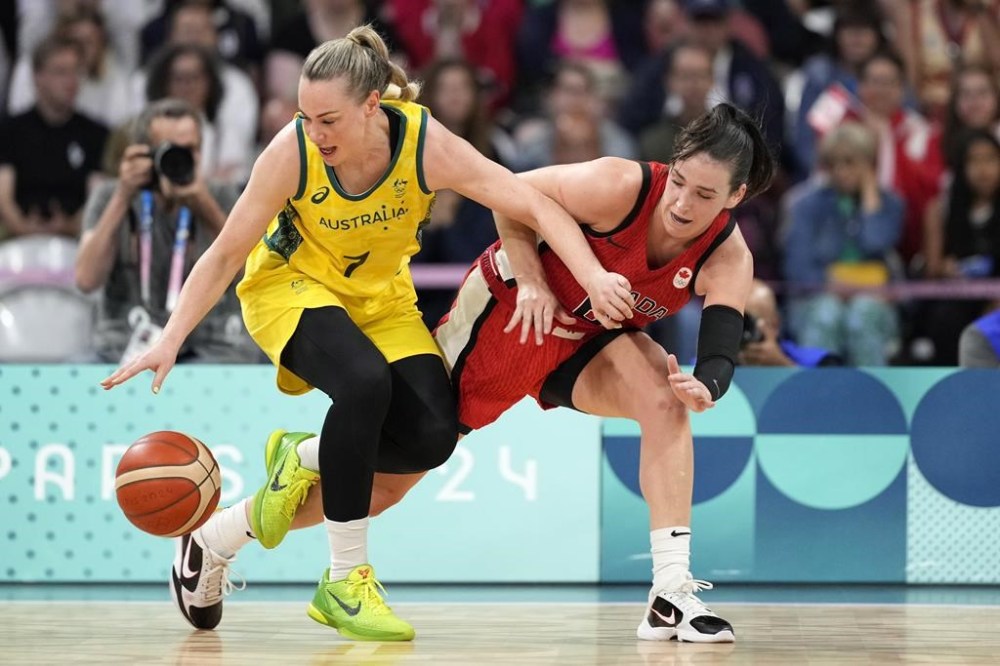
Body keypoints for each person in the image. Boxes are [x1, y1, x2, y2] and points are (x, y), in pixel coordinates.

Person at [101, 25, 634, 641]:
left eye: (327, 119)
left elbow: (531, 203)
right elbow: (223, 254)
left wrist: (584, 275)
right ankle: (345, 580)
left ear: (372, 106)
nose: (315, 131)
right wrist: (171, 337)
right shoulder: (293, 151)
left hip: (380, 301)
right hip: (289, 289)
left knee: (434, 436)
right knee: (362, 384)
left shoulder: (423, 142)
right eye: (305, 116)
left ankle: (286, 470)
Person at [202, 102, 776, 644]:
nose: (680, 204)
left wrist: (710, 385)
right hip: (506, 316)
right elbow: (510, 197)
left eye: (703, 195)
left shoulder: (728, 256)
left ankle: (670, 592)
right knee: (388, 481)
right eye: (679, 181)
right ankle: (221, 534)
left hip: (582, 344)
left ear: (736, 196)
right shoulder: (617, 186)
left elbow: (720, 349)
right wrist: (531, 280)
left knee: (665, 399)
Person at [75, 98, 257, 364]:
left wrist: (203, 204)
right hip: (125, 341)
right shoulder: (110, 196)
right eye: (169, 150)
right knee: (81, 369)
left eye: (191, 150)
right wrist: (123, 196)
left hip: (210, 346)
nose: (181, 158)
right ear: (145, 153)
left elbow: (251, 273)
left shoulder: (221, 196)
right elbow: (86, 279)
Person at [782, 122, 903, 366]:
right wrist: (837, 286)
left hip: (874, 300)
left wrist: (870, 200)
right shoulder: (803, 205)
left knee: (863, 314)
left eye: (850, 162)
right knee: (827, 314)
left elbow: (876, 241)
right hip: (816, 299)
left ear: (868, 164)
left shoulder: (890, 204)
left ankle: (873, 396)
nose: (841, 171)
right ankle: (817, 398)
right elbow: (797, 269)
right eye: (833, 164)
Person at [0, 36, 108, 239]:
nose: (71, 81)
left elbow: (97, 196)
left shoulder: (96, 133)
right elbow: (3, 198)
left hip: (77, 237)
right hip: (16, 235)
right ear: (37, 77)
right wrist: (23, 228)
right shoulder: (9, 130)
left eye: (76, 71)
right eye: (61, 72)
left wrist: (71, 226)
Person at [739, 279, 843, 367]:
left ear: (774, 325)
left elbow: (832, 388)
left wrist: (781, 364)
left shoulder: (819, 361)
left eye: (746, 321)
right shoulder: (723, 360)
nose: (738, 328)